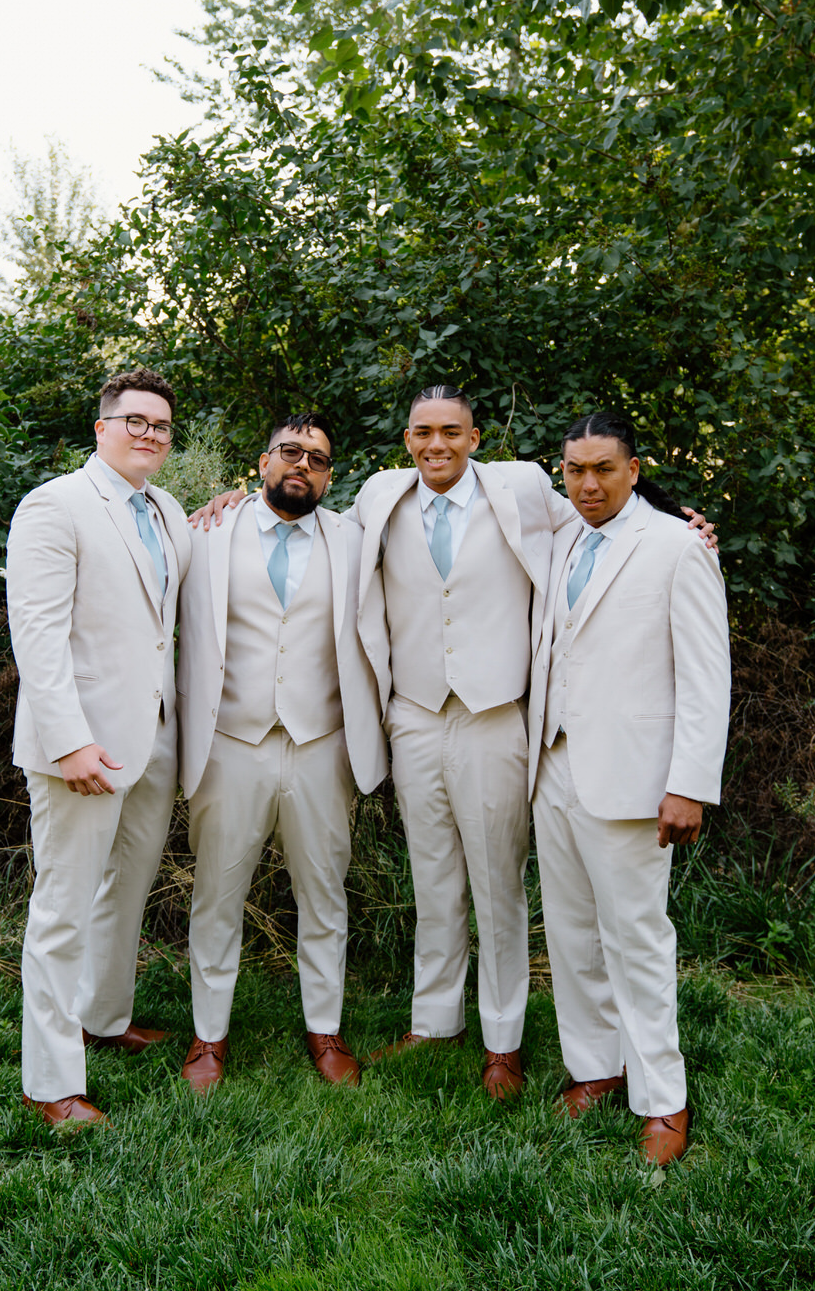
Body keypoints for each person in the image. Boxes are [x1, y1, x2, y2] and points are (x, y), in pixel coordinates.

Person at [197, 386, 713, 1099]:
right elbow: (300, 517)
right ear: (405, 440)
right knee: (432, 876)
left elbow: (605, 518)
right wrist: (228, 501)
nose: (435, 444)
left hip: (496, 716)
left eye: (451, 431)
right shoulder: (379, 497)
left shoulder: (525, 488)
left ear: (475, 439)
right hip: (412, 715)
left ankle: (503, 1040)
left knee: (498, 884)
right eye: (421, 432)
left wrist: (681, 521)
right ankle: (435, 1020)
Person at [527, 411, 730, 1165]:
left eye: (604, 469)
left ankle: (662, 1098)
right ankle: (595, 1067)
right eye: (575, 470)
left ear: (635, 469)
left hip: (637, 781)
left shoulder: (677, 547)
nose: (587, 484)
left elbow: (708, 677)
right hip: (553, 767)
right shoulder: (562, 538)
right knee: (572, 934)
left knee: (637, 940)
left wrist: (688, 785)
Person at [176, 412, 387, 1092]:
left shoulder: (355, 538)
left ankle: (325, 1031)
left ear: (330, 476)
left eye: (318, 459)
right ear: (263, 462)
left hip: (322, 745)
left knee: (324, 894)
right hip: (230, 743)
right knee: (217, 895)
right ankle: (209, 1037)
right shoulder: (207, 532)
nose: (303, 465)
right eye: (290, 453)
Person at [6, 369, 191, 1126]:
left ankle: (103, 1018)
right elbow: (38, 635)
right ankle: (50, 1085)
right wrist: (69, 742)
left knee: (127, 888)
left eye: (161, 427)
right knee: (64, 907)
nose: (149, 435)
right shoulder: (56, 506)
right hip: (81, 745)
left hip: (152, 738)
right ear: (102, 427)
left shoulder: (168, 510)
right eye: (135, 422)